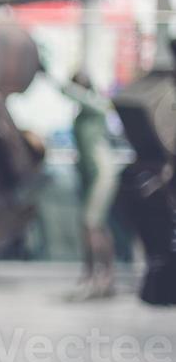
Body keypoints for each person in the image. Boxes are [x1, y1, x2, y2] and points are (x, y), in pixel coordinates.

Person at [57, 69, 119, 300]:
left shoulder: (95, 106)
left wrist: (58, 81)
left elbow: (77, 95)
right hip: (92, 177)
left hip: (104, 174)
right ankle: (96, 274)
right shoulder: (83, 114)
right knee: (94, 226)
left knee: (92, 224)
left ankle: (102, 277)